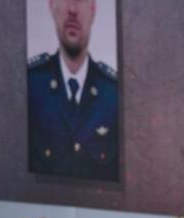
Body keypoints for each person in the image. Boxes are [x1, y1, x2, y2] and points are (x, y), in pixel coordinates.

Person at [27, 0, 118, 180]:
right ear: (51, 6)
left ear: (93, 10)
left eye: (81, 1)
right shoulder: (30, 86)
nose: (73, 10)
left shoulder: (114, 95)